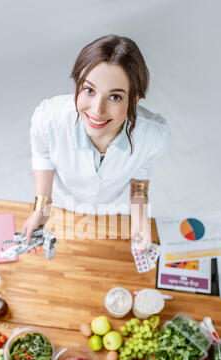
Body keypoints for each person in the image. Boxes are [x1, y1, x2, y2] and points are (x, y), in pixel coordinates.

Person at [23, 34, 170, 252]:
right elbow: (43, 155)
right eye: (89, 90)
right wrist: (42, 208)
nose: (96, 110)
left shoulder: (153, 135)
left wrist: (140, 222)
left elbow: (141, 172)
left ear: (135, 99)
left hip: (114, 209)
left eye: (115, 97)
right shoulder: (48, 119)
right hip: (64, 203)